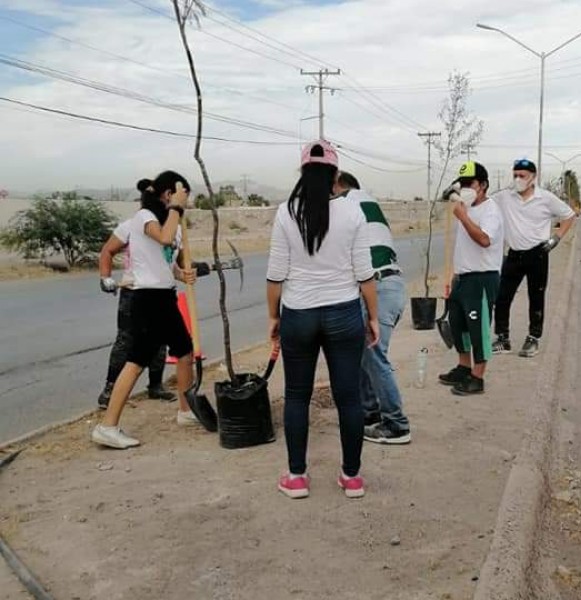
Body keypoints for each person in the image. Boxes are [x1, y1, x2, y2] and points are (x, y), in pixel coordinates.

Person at [267, 140, 380, 500]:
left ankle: (297, 477)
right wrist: (373, 317)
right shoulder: (353, 213)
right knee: (348, 397)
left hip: (298, 315)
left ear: (303, 173)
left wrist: (273, 317)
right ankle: (352, 478)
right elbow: (365, 275)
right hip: (344, 313)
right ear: (335, 175)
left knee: (296, 396)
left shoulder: (286, 212)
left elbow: (275, 276)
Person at [91, 171, 199, 449]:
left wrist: (181, 274)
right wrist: (177, 208)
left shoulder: (173, 223)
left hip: (165, 297)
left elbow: (165, 260)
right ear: (168, 194)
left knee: (185, 353)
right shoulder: (144, 218)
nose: (186, 199)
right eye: (182, 194)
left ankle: (186, 411)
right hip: (146, 299)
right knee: (137, 360)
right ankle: (107, 426)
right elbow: (162, 239)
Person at [97, 221, 243, 410]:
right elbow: (107, 251)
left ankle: (156, 386)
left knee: (162, 342)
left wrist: (214, 266)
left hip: (164, 293)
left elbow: (179, 265)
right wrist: (105, 277)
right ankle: (109, 391)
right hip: (136, 293)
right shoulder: (134, 225)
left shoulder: (178, 230)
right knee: (127, 342)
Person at [333, 171, 411, 445]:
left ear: (338, 187)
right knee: (364, 354)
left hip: (378, 287)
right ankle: (370, 415)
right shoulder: (368, 202)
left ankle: (397, 424)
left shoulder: (344, 203)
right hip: (390, 285)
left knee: (375, 357)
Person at [490, 159, 576, 358]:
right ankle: (503, 337)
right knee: (502, 297)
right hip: (514, 254)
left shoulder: (545, 198)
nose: (518, 179)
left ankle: (533, 338)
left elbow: (569, 215)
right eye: (515, 175)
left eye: (522, 176)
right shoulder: (505, 197)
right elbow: (484, 200)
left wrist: (556, 238)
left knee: (536, 297)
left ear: (533, 178)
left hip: (537, 254)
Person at [437, 161, 504, 396]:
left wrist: (463, 218)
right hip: (463, 277)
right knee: (459, 325)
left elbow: (485, 240)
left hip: (482, 278)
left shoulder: (491, 210)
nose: (465, 188)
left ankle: (478, 376)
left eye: (470, 184)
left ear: (483, 185)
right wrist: (454, 276)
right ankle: (463, 366)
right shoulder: (465, 207)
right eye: (462, 184)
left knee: (478, 328)